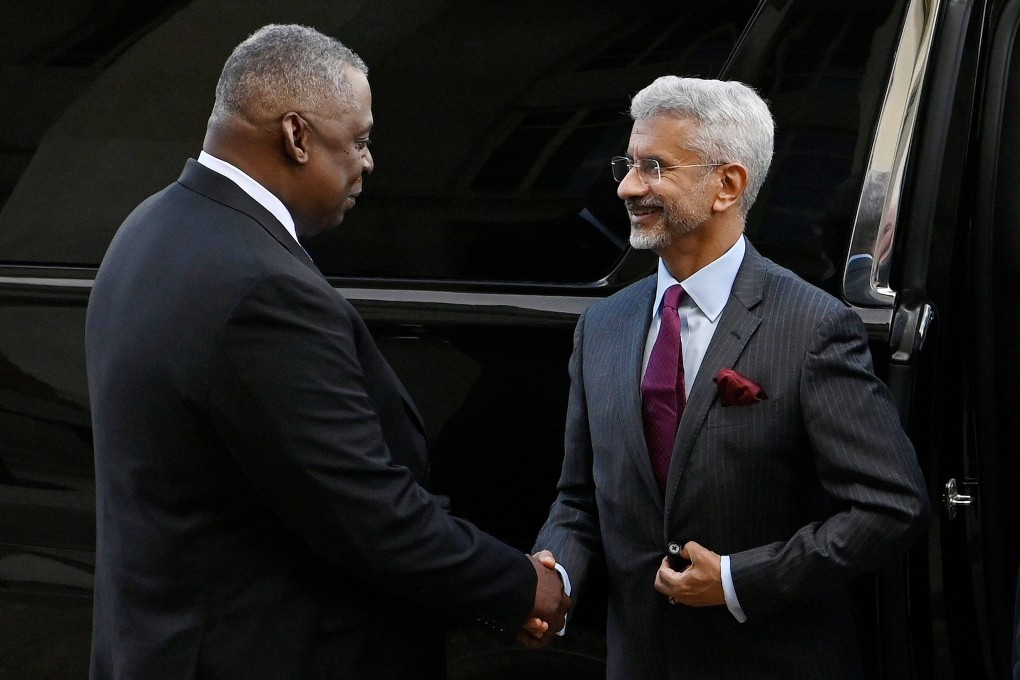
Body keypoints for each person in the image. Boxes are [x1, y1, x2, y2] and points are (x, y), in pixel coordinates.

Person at [85, 24, 567, 680]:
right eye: (360, 140)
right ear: (296, 136)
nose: (368, 163)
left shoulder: (151, 227)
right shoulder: (262, 287)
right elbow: (367, 512)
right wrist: (521, 588)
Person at [531, 76, 929, 678]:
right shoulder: (603, 328)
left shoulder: (814, 326)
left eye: (654, 166)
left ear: (727, 185)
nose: (627, 186)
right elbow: (581, 499)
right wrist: (554, 574)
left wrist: (741, 580)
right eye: (628, 163)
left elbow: (890, 507)